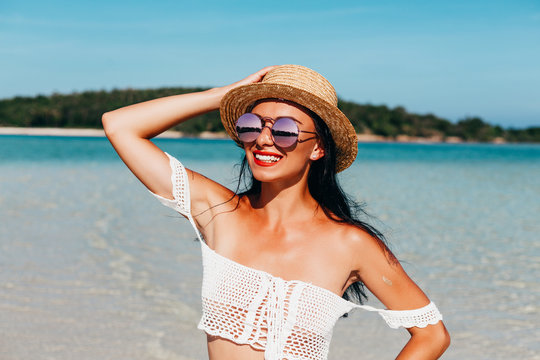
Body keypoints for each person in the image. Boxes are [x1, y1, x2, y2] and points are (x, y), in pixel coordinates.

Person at [102, 64, 450, 360]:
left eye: (285, 131)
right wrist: (223, 95)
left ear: (318, 148)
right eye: (253, 125)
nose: (264, 140)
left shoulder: (349, 243)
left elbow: (431, 335)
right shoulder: (220, 212)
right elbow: (120, 126)